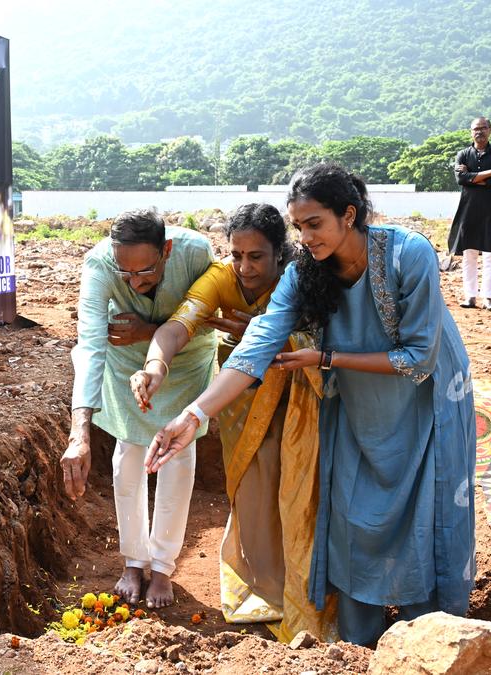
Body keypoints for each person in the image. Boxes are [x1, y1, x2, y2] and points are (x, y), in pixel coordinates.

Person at [146, 164, 476, 646]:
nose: (305, 236)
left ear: (349, 214)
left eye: (314, 223)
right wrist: (195, 414)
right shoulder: (305, 272)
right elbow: (259, 343)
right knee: (352, 515)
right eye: (299, 226)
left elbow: (418, 356)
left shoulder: (409, 253)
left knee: (425, 514)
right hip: (357, 407)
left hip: (427, 404)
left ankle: (428, 639)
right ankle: (359, 646)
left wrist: (326, 357)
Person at [129, 203, 337, 641]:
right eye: (236, 255)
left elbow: (327, 341)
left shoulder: (304, 278)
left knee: (298, 484)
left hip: (302, 395)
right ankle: (266, 588)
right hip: (240, 395)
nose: (243, 267)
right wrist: (154, 366)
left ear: (281, 254)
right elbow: (178, 326)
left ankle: (307, 590)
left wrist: (269, 335)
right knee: (253, 486)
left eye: (255, 257)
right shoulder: (221, 279)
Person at [61, 208, 216, 608]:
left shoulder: (197, 252)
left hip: (186, 361)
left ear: (166, 250)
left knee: (177, 457)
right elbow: (91, 345)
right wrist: (79, 432)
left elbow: (211, 316)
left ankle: (163, 566)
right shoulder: (98, 265)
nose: (135, 283)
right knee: (128, 454)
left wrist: (149, 331)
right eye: (124, 275)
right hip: (127, 361)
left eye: (145, 273)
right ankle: (134, 560)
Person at [449, 117, 491, 312]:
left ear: (490, 130)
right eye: (476, 129)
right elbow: (461, 179)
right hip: (469, 210)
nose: (479, 132)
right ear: (470, 131)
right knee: (469, 254)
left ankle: (489, 298)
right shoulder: (463, 154)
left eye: (483, 128)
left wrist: (473, 177)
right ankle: (470, 296)